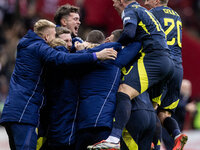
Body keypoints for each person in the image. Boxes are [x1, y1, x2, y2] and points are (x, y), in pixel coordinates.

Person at [0, 19, 117, 150]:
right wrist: (96, 55)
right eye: (55, 35)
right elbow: (62, 58)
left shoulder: (26, 45)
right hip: (24, 114)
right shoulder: (39, 46)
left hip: (12, 112)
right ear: (46, 37)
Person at [88, 0, 174, 149]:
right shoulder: (144, 12)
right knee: (153, 108)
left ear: (122, 1)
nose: (113, 3)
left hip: (153, 59)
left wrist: (116, 46)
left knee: (123, 91)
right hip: (167, 62)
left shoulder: (130, 9)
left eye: (115, 0)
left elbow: (128, 33)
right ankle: (157, 145)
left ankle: (114, 138)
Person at [144, 0, 188, 149]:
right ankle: (177, 135)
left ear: (156, 1)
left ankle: (150, 142)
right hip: (178, 67)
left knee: (149, 106)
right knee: (164, 114)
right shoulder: (177, 16)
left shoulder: (151, 14)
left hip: (161, 65)